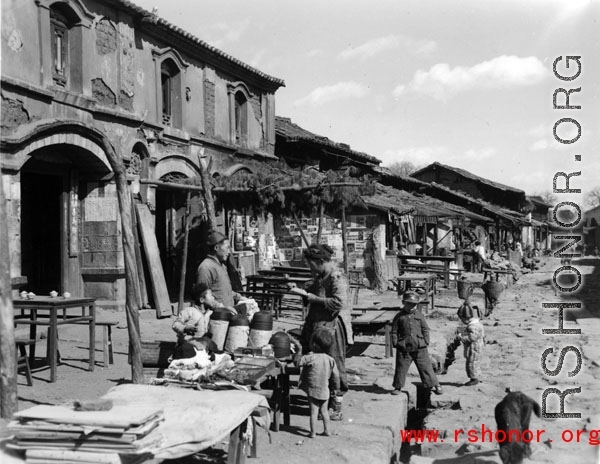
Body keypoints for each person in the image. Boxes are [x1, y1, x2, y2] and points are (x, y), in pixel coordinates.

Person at [289, 244, 353, 421]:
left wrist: (313, 298)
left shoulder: (336, 277)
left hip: (332, 327)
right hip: (318, 325)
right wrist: (303, 291)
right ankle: (322, 400)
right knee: (319, 363)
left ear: (321, 261)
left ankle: (336, 406)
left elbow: (338, 302)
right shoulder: (320, 275)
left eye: (311, 264)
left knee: (335, 365)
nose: (309, 268)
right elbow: (317, 291)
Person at [391, 291, 443, 395]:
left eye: (414, 304)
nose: (411, 307)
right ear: (403, 303)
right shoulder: (399, 317)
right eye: (409, 304)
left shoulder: (419, 315)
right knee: (401, 368)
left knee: (426, 367)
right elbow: (394, 331)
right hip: (404, 347)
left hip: (420, 347)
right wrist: (396, 343)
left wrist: (426, 341)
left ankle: (436, 385)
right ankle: (398, 386)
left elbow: (425, 329)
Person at [172, 282, 235, 359]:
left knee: (217, 351)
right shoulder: (189, 311)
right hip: (189, 344)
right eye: (211, 295)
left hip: (204, 345)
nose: (213, 298)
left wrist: (227, 308)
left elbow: (218, 305)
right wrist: (185, 328)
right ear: (202, 300)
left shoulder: (210, 313)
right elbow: (175, 325)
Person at [298, 329, 340, 438]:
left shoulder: (310, 357)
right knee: (324, 412)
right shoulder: (330, 360)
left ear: (315, 345)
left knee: (313, 412)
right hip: (325, 390)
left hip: (312, 390)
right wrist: (336, 388)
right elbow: (336, 376)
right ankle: (327, 431)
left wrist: (299, 351)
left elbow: (297, 363)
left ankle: (313, 433)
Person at [197, 230, 242, 308]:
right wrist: (219, 306)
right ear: (216, 248)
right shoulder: (206, 267)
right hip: (217, 316)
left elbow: (223, 291)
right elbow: (202, 296)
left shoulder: (222, 265)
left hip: (228, 313)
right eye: (227, 248)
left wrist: (238, 297)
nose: (229, 252)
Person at [456, 302, 485, 386]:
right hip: (478, 347)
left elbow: (472, 337)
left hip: (474, 348)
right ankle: (477, 376)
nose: (461, 321)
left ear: (466, 318)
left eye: (462, 319)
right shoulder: (477, 324)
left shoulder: (473, 326)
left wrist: (462, 338)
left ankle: (474, 378)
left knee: (471, 363)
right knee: (476, 362)